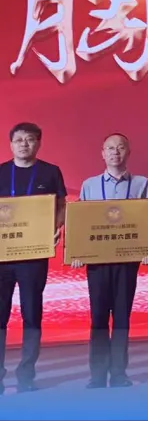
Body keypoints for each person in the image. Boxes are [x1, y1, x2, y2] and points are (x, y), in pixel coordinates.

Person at [73, 133, 148, 389]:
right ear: (102, 153)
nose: (115, 152)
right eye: (110, 148)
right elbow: (81, 223)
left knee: (121, 318)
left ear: (128, 152)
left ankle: (119, 373)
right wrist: (76, 252)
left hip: (127, 261)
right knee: (98, 318)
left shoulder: (141, 183)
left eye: (120, 147)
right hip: (97, 263)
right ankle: (97, 375)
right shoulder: (89, 185)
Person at [0, 122, 66, 394]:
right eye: (19, 140)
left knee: (31, 315)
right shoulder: (1, 172)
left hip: (34, 256)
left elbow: (60, 204)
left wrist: (58, 226)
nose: (24, 144)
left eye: (30, 139)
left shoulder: (50, 172)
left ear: (39, 143)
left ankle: (26, 374)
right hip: (2, 257)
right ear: (11, 144)